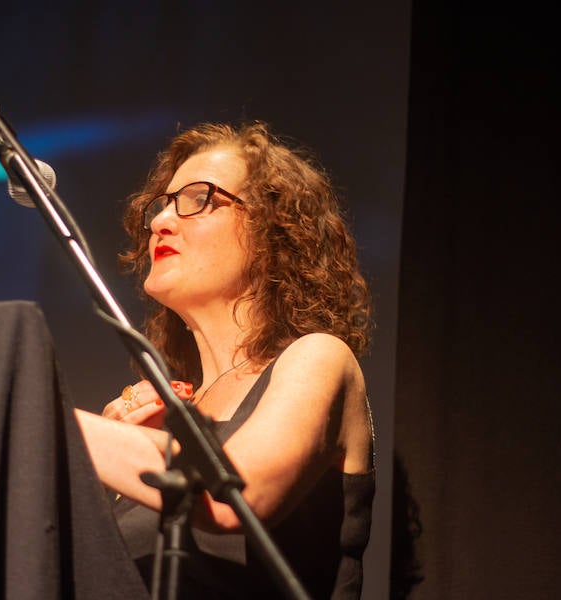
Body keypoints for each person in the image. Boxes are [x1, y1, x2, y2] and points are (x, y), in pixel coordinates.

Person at [75, 122, 374, 598]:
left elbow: (234, 497)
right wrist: (94, 476)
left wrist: (56, 423)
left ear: (275, 229)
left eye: (198, 199)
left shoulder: (317, 357)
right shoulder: (162, 418)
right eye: (163, 204)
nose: (160, 222)